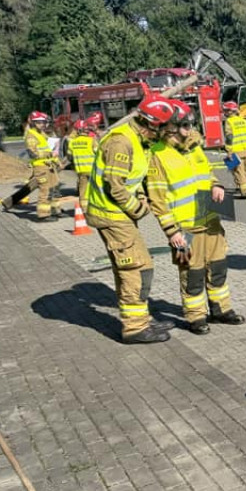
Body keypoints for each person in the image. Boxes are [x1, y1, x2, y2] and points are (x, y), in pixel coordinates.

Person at [146, 101, 246, 334]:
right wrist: (171, 231)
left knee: (218, 268)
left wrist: (217, 185)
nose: (188, 130)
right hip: (186, 229)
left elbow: (208, 174)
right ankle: (195, 317)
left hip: (211, 222)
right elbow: (157, 199)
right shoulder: (157, 155)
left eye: (190, 125)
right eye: (183, 126)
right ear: (168, 128)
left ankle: (221, 310)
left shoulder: (195, 148)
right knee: (192, 275)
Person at [85, 96, 176, 344]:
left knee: (143, 266)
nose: (168, 134)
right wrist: (138, 209)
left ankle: (142, 318)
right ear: (152, 125)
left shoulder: (139, 140)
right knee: (132, 269)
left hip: (120, 215)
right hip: (111, 215)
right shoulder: (121, 143)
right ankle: (134, 328)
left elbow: (131, 180)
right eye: (165, 129)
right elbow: (115, 186)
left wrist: (140, 197)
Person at [1, 111, 62, 221]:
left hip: (49, 165)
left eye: (44, 122)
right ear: (34, 123)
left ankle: (54, 210)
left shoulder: (41, 134)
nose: (43, 125)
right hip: (41, 167)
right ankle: (43, 215)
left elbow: (48, 147)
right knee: (45, 190)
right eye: (40, 123)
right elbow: (32, 153)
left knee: (54, 188)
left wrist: (56, 160)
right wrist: (48, 154)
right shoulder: (31, 135)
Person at [222, 101, 246, 198]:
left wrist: (229, 151)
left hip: (236, 151)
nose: (224, 112)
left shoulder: (229, 122)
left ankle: (245, 191)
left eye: (225, 110)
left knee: (239, 171)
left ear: (230, 111)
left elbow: (229, 138)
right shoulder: (243, 121)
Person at [66, 118, 96, 212]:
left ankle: (84, 209)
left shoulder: (72, 142)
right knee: (95, 190)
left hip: (81, 171)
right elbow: (98, 153)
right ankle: (96, 207)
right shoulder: (91, 141)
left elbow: (69, 156)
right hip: (93, 170)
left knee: (83, 190)